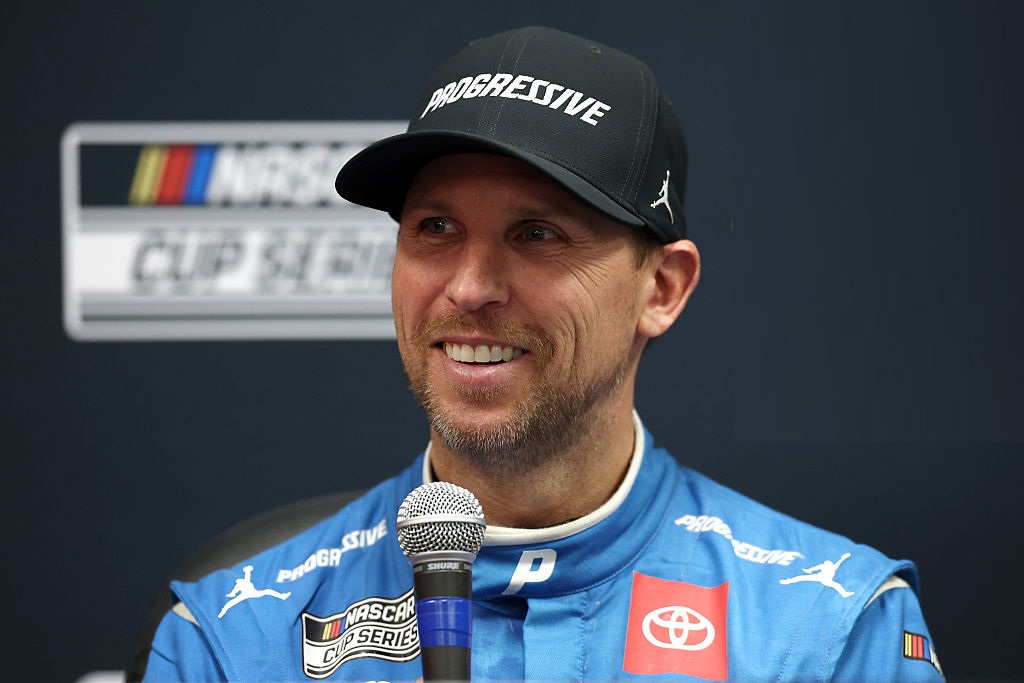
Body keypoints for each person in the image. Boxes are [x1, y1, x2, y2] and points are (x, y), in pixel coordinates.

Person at [141, 26, 943, 682]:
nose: (469, 287)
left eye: (537, 234)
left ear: (662, 288)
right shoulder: (233, 640)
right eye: (435, 228)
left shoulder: (831, 630)